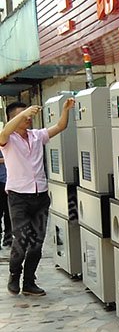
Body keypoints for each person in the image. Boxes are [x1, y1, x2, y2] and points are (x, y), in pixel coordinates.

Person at [0, 98, 75, 296]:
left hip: (40, 196)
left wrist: (65, 110)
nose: (28, 118)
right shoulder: (8, 140)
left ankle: (29, 282)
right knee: (21, 239)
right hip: (18, 197)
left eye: (29, 115)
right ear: (12, 119)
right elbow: (4, 132)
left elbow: (60, 126)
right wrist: (23, 114)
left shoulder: (37, 136)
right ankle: (14, 274)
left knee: (36, 243)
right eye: (23, 116)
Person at [0, 147, 11, 247]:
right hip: (1, 181)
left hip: (10, 182)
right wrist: (7, 159)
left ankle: (8, 237)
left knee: (9, 211)